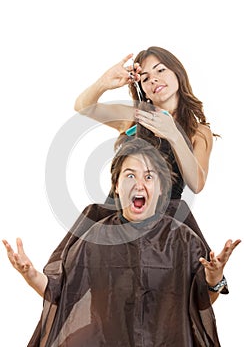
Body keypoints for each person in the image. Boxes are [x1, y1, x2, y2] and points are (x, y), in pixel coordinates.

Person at [3, 138, 241, 346]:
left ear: (160, 189)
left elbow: (203, 300)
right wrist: (30, 274)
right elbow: (59, 291)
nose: (139, 184)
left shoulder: (183, 239)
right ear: (116, 186)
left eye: (149, 176)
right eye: (130, 175)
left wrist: (214, 278)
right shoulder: (95, 238)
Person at [73, 46, 216, 249]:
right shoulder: (135, 117)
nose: (154, 80)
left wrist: (174, 135)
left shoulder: (198, 132)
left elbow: (197, 184)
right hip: (120, 216)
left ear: (178, 72)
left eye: (160, 70)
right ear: (143, 90)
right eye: (146, 78)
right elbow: (83, 106)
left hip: (163, 228)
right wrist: (103, 83)